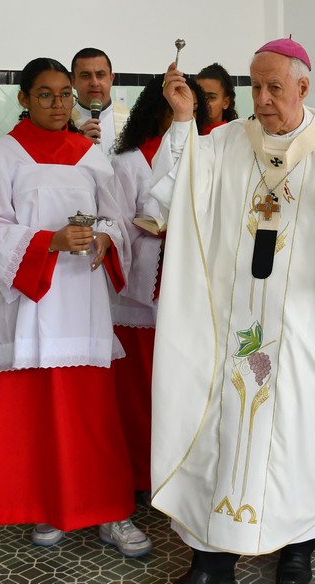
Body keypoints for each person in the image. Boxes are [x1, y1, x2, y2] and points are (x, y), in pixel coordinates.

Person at [149, 38, 315, 584]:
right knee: (225, 432)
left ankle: (298, 548)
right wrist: (183, 120)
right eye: (255, 87)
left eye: (274, 87)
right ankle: (213, 555)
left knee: (297, 437)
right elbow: (170, 199)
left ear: (303, 87)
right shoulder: (225, 143)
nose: (263, 99)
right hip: (235, 325)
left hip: (305, 330)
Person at [0, 57, 152, 557]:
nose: (58, 104)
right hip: (29, 307)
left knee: (92, 417)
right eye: (45, 95)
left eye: (65, 94)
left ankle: (111, 511)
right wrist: (49, 241)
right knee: (36, 420)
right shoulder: (2, 155)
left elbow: (115, 218)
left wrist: (105, 239)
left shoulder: (89, 155)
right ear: (23, 99)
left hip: (82, 304)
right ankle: (47, 507)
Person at [108, 75, 209, 494]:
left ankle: (177, 475)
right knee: (139, 393)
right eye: (175, 109)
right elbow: (114, 223)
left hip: (185, 289)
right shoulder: (128, 161)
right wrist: (155, 230)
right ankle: (139, 475)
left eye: (192, 110)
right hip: (140, 292)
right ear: (156, 110)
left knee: (178, 390)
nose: (184, 119)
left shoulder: (204, 155)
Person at [71, 47, 130, 154]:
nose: (94, 83)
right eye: (85, 76)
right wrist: (76, 143)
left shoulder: (130, 119)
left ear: (111, 79)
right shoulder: (63, 123)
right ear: (73, 81)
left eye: (100, 75)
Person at [195, 62, 239, 133]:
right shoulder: (187, 131)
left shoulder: (233, 135)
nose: (203, 102)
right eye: (199, 96)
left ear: (225, 103)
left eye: (211, 97)